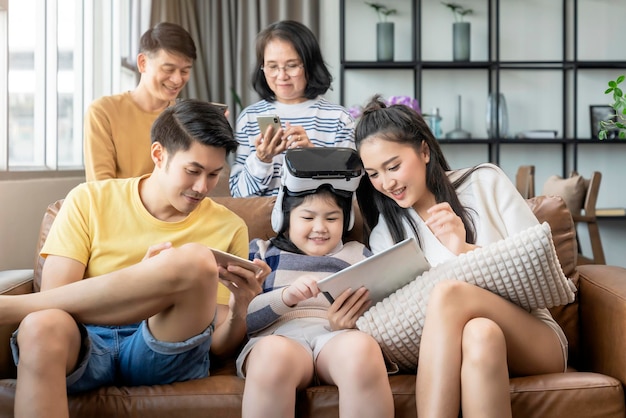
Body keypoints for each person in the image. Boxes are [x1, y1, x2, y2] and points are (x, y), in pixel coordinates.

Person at [2, 99, 269, 418]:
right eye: (193, 171)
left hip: (165, 346)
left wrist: (241, 309)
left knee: (195, 260)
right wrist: (144, 281)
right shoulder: (89, 200)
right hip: (86, 342)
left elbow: (219, 346)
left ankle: (8, 309)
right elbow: (54, 300)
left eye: (213, 174)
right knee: (39, 325)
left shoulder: (229, 226)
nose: (202, 187)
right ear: (159, 155)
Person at [353, 96, 568, 418]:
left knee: (449, 291)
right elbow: (400, 315)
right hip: (471, 344)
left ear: (424, 151)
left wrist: (464, 250)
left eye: (393, 166)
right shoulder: (387, 232)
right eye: (374, 174)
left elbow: (541, 265)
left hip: (534, 338)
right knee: (481, 333)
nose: (387, 183)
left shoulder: (484, 182)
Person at [237, 150, 393, 418]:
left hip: (336, 337)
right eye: (308, 218)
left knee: (361, 348)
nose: (320, 228)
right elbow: (244, 319)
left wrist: (352, 324)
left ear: (347, 220)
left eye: (332, 218)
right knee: (272, 356)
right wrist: (285, 297)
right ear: (283, 220)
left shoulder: (358, 253)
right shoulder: (263, 253)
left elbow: (383, 306)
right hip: (278, 337)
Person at [229, 20, 355, 197]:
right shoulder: (249, 118)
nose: (281, 76)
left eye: (292, 65)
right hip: (264, 221)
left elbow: (349, 191)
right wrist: (262, 160)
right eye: (272, 66)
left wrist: (313, 158)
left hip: (318, 220)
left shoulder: (338, 118)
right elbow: (238, 194)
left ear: (310, 66)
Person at [84, 22, 197, 181]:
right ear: (142, 63)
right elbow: (102, 189)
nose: (177, 79)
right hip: (119, 205)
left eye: (185, 70)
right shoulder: (103, 112)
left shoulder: (187, 118)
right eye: (169, 69)